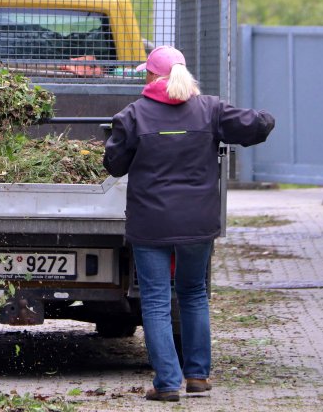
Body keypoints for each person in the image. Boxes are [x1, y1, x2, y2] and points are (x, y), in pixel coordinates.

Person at [102, 45, 275, 402]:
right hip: (197, 223)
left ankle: (167, 382)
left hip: (151, 223)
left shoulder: (134, 115)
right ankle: (197, 375)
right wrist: (266, 118)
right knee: (193, 292)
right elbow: (255, 126)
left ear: (152, 75)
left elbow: (114, 164)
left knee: (155, 300)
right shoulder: (210, 110)